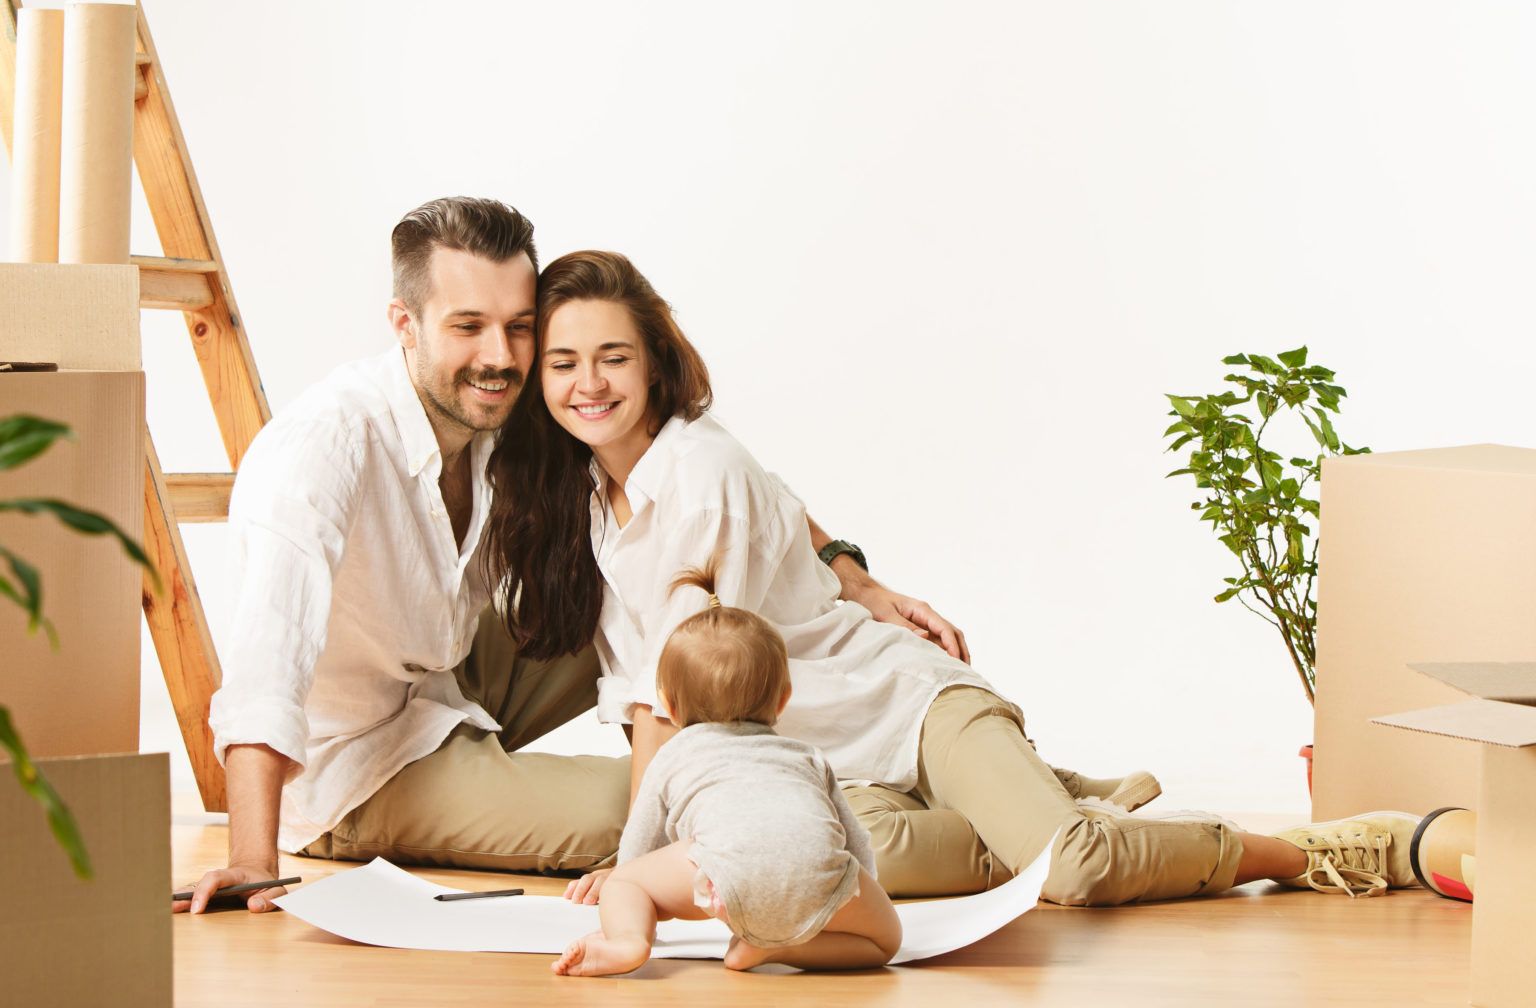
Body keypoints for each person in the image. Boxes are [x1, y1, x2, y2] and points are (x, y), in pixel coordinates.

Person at [489, 249, 1424, 906]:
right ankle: (1050, 795)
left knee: (1070, 871)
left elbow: (672, 699)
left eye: (613, 357)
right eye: (564, 363)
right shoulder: (583, 490)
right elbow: (786, 501)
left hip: (905, 707)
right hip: (835, 765)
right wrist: (855, 577)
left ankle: (1307, 853)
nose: (588, 384)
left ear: (654, 360)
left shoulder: (698, 471)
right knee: (849, 861)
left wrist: (637, 865)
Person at [179, 198, 961, 914]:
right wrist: (252, 855)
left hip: (442, 676)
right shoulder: (324, 445)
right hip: (357, 760)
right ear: (404, 323)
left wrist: (854, 576)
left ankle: (885, 763)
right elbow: (263, 662)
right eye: (467, 326)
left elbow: (724, 480)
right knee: (641, 813)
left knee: (670, 599)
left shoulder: (510, 401)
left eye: (519, 326)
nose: (500, 355)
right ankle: (884, 829)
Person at [553, 565, 901, 976]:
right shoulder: (807, 756)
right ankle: (773, 950)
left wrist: (628, 883)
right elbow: (854, 840)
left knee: (626, 882)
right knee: (884, 943)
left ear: (672, 706)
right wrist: (850, 890)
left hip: (721, 880)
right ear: (784, 699)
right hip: (818, 880)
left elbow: (639, 842)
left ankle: (628, 941)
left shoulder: (674, 755)